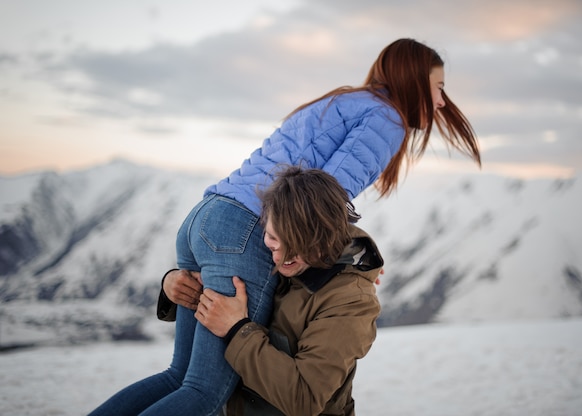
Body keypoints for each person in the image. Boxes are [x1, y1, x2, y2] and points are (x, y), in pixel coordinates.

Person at [89, 37, 481, 416]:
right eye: (439, 87)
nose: (443, 101)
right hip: (245, 228)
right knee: (203, 390)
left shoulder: (342, 102)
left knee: (179, 378)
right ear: (411, 80)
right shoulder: (387, 119)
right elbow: (319, 201)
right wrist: (348, 265)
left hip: (206, 216)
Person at [167, 165, 384, 415]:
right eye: (272, 238)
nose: (281, 256)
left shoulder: (350, 301)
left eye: (297, 245)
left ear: (326, 238)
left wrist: (237, 330)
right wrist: (175, 286)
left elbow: (304, 398)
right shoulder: (270, 255)